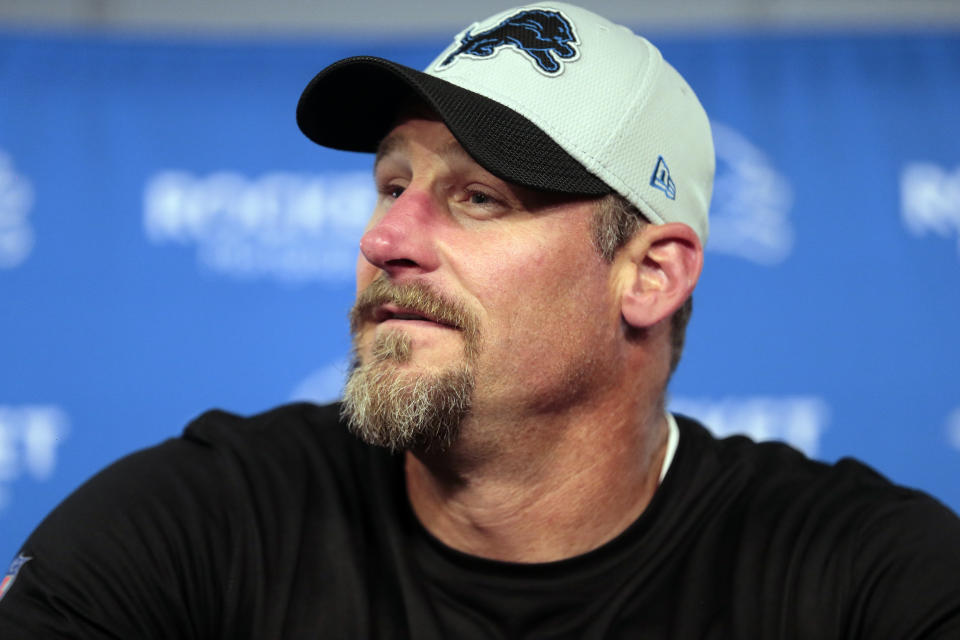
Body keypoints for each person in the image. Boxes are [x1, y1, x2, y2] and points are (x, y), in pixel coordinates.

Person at [2, 3, 959, 638]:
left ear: (651, 274)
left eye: (478, 199)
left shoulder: (860, 580)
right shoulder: (206, 526)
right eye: (392, 184)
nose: (387, 238)